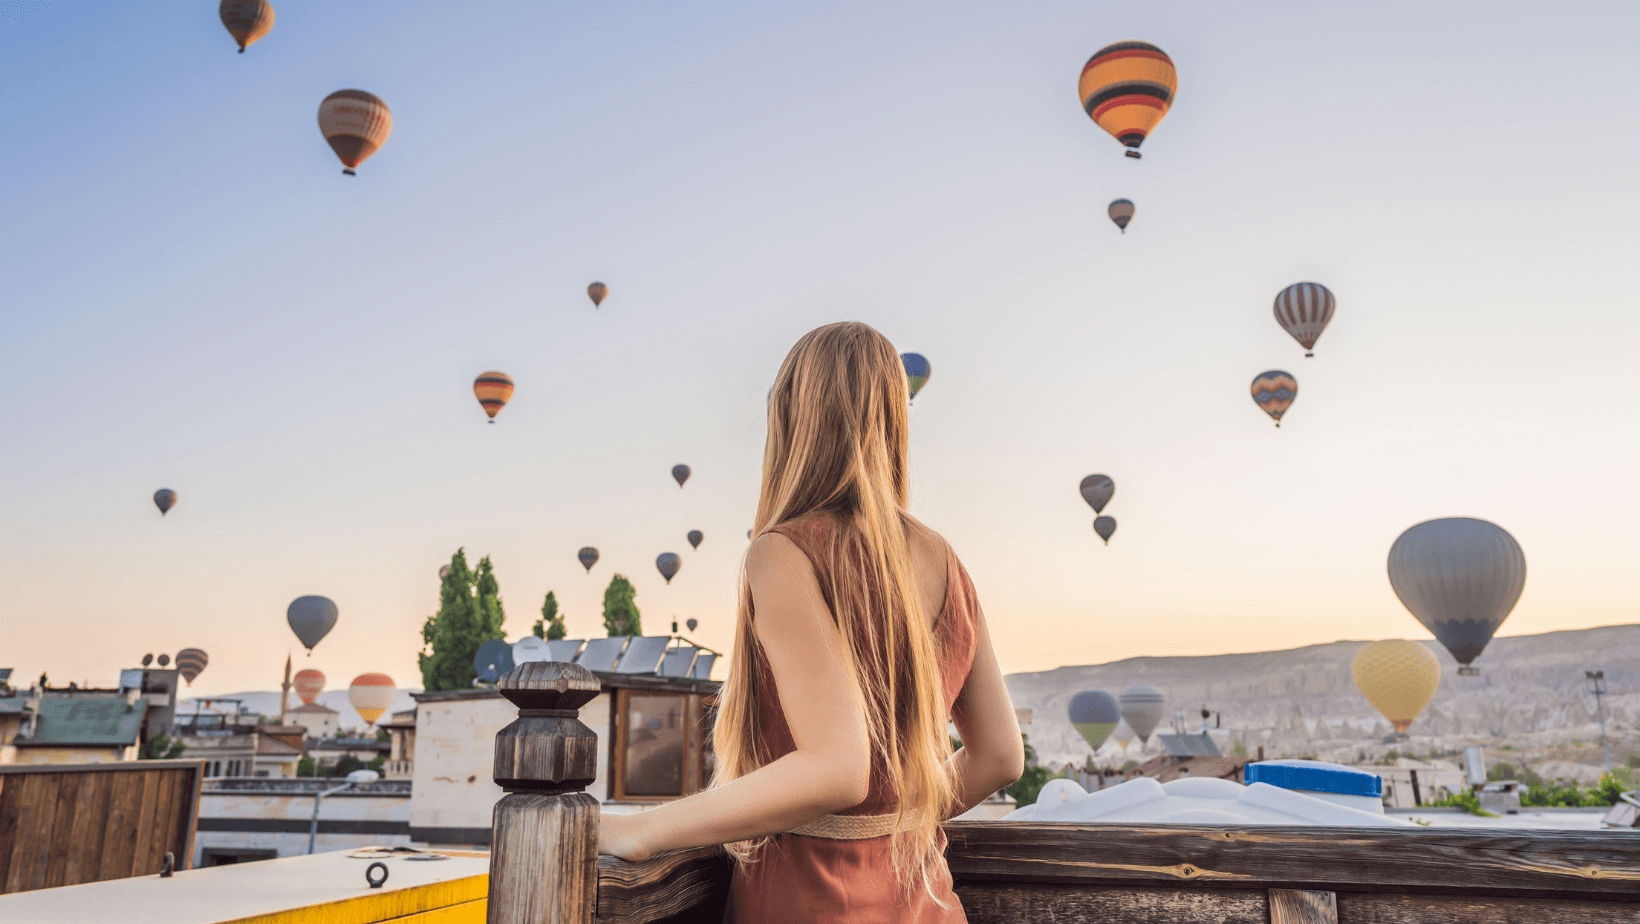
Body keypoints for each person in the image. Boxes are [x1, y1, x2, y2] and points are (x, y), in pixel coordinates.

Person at [599, 321, 1024, 922]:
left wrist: (638, 831)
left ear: (792, 419)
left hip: (806, 901)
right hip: (928, 900)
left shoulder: (781, 552)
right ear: (892, 420)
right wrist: (899, 811)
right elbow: (1000, 758)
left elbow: (836, 770)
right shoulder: (944, 560)